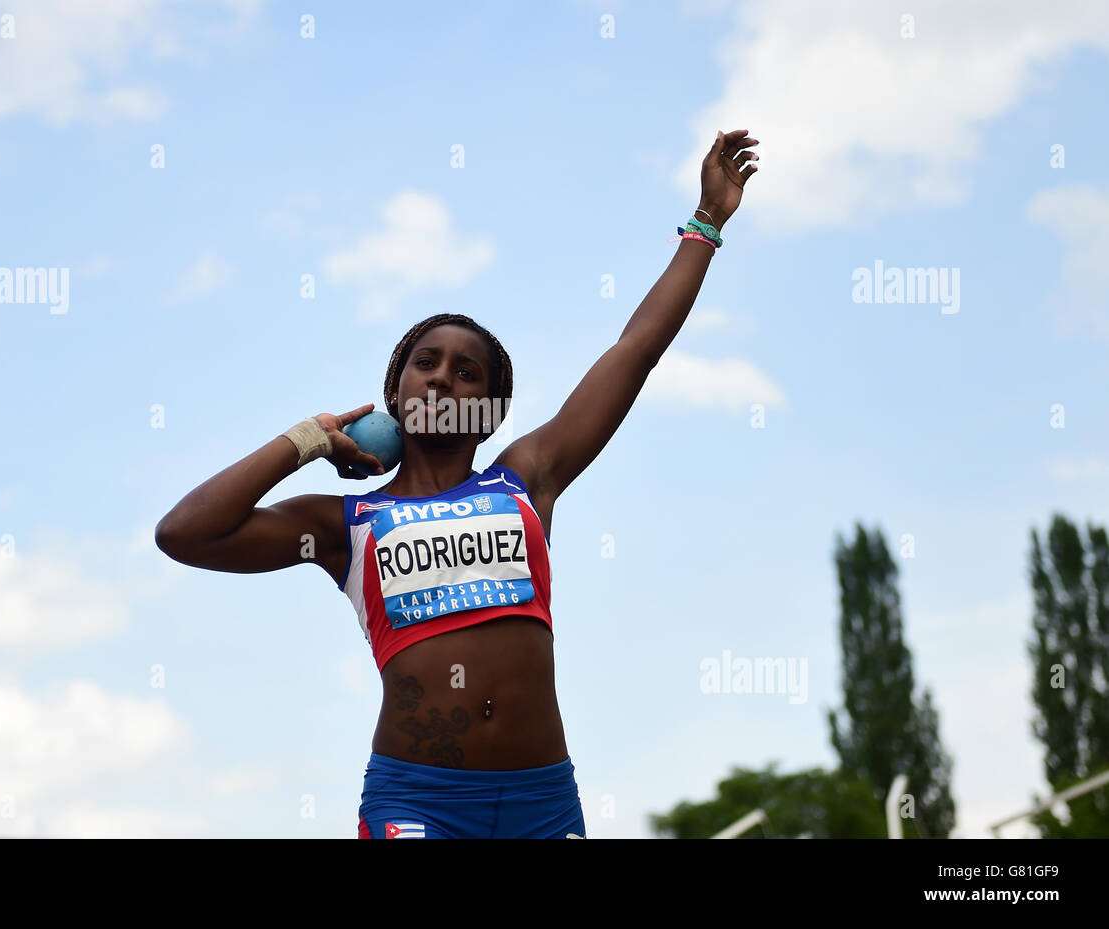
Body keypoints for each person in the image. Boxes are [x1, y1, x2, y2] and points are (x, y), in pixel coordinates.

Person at [155, 129, 759, 838]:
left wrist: (707, 223)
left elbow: (635, 351)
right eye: (426, 362)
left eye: (466, 370)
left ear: (491, 409)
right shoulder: (344, 524)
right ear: (395, 389)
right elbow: (185, 532)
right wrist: (309, 439)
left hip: (544, 801)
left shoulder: (527, 477)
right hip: (418, 801)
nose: (442, 375)